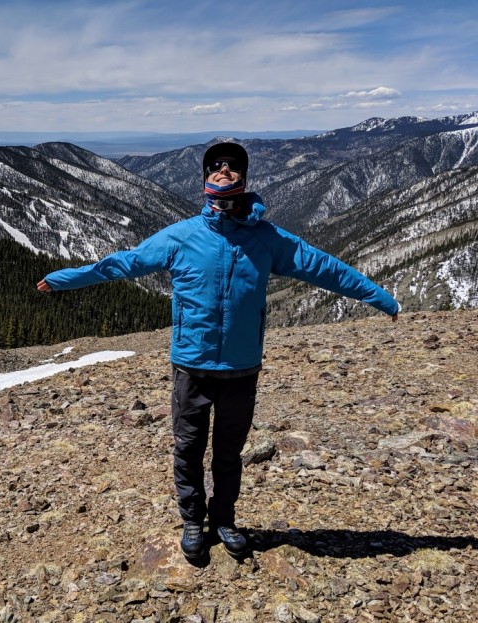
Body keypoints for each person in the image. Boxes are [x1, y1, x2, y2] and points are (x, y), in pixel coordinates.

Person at [37, 142, 399, 560]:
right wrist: (65, 279)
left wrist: (379, 297)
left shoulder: (268, 239)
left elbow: (326, 268)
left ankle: (224, 519)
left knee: (229, 454)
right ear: (204, 180)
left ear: (243, 180)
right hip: (191, 365)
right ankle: (193, 521)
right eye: (215, 166)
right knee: (188, 449)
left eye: (232, 167)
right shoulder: (181, 236)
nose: (223, 170)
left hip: (241, 367)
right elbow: (122, 263)